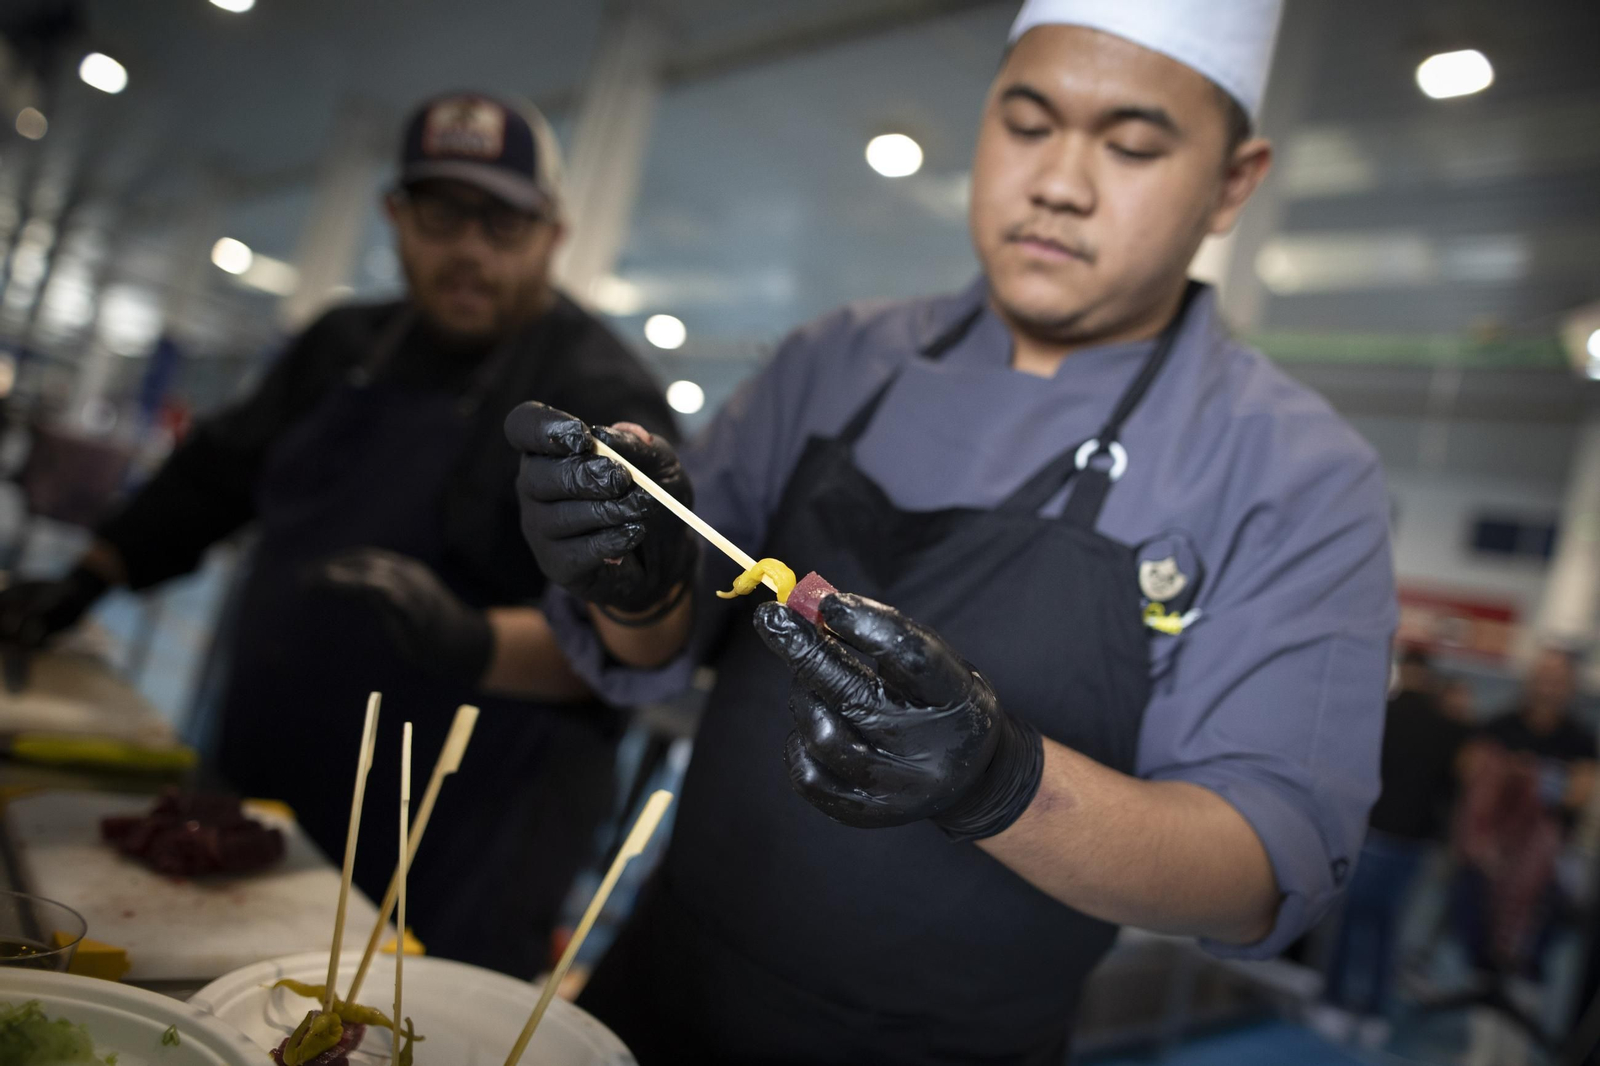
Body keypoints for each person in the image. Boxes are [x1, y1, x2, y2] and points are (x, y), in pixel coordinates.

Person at [508, 0, 1396, 1059]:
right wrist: (638, 587)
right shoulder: (836, 362)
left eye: (1131, 145)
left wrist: (1002, 781)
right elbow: (660, 655)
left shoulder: (1291, 471)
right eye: (1026, 125)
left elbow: (1261, 860)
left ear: (1231, 183)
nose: (1058, 183)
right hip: (661, 989)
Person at [0, 93, 677, 977]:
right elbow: (212, 476)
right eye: (441, 216)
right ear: (395, 218)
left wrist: (465, 637)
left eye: (503, 224)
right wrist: (87, 577)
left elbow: (636, 639)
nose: (469, 250)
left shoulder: (605, 397)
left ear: (553, 233)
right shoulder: (340, 345)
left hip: (461, 833)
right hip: (267, 774)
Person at [1327, 648, 1468, 1021]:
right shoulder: (1448, 728)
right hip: (1413, 842)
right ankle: (1371, 1010)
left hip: (1373, 833)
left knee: (1353, 923)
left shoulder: (1381, 716)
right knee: (1387, 929)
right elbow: (1454, 790)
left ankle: (1336, 1002)